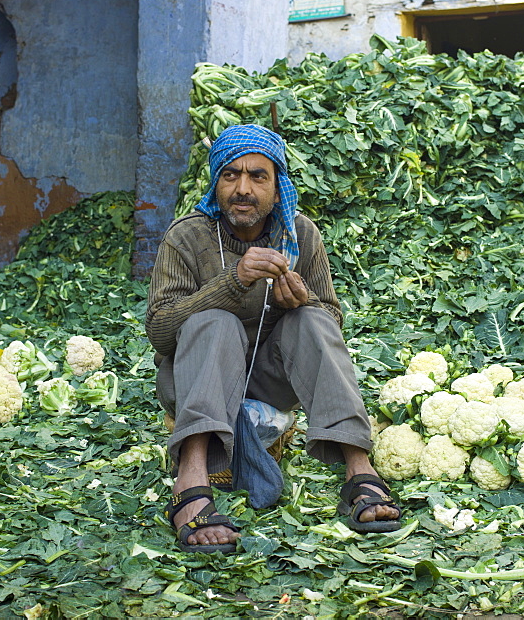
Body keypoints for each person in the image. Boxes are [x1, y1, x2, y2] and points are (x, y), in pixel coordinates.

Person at [146, 123, 402, 553]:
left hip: (268, 379)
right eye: (231, 175)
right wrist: (231, 284)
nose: (242, 188)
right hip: (196, 379)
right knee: (216, 322)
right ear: (216, 182)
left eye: (257, 176)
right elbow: (160, 331)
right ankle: (191, 481)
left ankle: (359, 469)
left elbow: (331, 321)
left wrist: (301, 304)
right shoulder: (185, 236)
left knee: (314, 320)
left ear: (277, 186)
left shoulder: (300, 235)